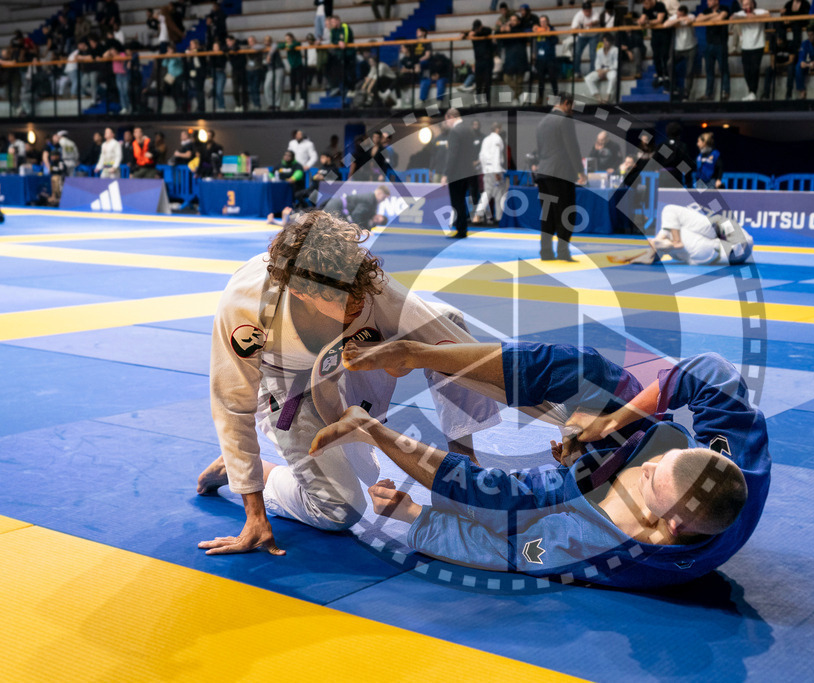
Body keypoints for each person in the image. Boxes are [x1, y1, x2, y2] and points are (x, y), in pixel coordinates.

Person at [317, 339, 769, 590]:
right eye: (664, 461)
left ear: (667, 527)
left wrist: (416, 517)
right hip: (623, 442)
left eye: (651, 481)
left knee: (490, 498)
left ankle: (367, 427)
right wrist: (618, 420)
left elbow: (511, 555)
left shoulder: (605, 551)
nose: (649, 468)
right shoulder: (735, 471)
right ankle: (419, 353)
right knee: (585, 369)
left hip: (568, 499)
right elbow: (710, 371)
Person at [196, 212, 500, 554]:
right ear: (300, 291)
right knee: (340, 510)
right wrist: (254, 511)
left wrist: (566, 412)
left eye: (359, 289)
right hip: (291, 382)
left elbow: (473, 358)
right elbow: (231, 405)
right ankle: (261, 474)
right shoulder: (246, 306)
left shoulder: (369, 286)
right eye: (343, 297)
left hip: (352, 360)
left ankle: (463, 468)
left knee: (448, 324)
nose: (357, 301)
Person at [610, 204, 754, 265]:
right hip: (731, 251)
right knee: (669, 213)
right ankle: (663, 241)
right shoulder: (678, 227)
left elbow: (654, 255)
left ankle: (662, 241)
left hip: (713, 253)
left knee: (669, 214)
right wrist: (630, 258)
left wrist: (629, 258)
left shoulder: (675, 230)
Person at [535, 94, 587, 261]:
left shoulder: (542, 122)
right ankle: (563, 252)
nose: (572, 111)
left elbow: (540, 149)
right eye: (571, 107)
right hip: (560, 173)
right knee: (566, 212)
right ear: (566, 103)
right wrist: (580, 171)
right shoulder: (564, 120)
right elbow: (572, 147)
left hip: (543, 173)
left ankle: (545, 251)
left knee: (547, 213)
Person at [440, 108, 476, 240]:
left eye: (446, 120)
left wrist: (445, 173)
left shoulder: (455, 131)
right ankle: (463, 228)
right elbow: (472, 152)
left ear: (451, 117)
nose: (446, 124)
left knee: (457, 201)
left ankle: (461, 229)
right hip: (467, 171)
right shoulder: (469, 130)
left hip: (456, 172)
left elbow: (452, 154)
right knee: (462, 201)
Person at [695, 0, 733, 101]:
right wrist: (713, 15)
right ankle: (708, 93)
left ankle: (726, 92)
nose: (707, 2)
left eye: (710, 0)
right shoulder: (707, 10)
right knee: (709, 70)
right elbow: (698, 20)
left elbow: (720, 17)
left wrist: (707, 18)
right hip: (709, 44)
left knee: (724, 69)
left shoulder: (724, 8)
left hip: (721, 43)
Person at [733, 0, 769, 101]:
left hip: (758, 44)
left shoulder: (759, 11)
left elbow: (768, 15)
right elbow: (733, 17)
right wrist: (745, 17)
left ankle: (753, 92)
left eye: (747, 4)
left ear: (752, 4)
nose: (746, 7)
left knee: (755, 69)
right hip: (745, 46)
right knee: (746, 71)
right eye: (744, 5)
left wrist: (754, 17)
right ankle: (751, 91)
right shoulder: (741, 13)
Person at [475, 122, 508, 224]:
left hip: (487, 171)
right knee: (499, 195)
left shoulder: (486, 139)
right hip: (495, 171)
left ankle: (477, 215)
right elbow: (496, 156)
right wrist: (497, 172)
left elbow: (481, 156)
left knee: (487, 193)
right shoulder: (497, 139)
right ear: (498, 129)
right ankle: (499, 218)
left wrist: (485, 169)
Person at [664, 5, 698, 100]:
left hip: (691, 47)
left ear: (685, 13)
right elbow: (665, 24)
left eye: (680, 14)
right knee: (670, 63)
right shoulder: (676, 17)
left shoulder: (691, 16)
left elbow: (689, 21)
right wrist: (678, 20)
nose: (678, 15)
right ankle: (673, 87)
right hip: (678, 48)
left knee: (689, 70)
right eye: (677, 14)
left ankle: (687, 92)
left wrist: (683, 19)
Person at [638, 0, 672, 88]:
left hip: (665, 33)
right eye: (643, 4)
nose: (644, 5)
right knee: (656, 56)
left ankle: (667, 76)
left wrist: (648, 22)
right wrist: (640, 22)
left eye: (646, 3)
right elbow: (642, 19)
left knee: (664, 55)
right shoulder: (645, 7)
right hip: (655, 34)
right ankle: (660, 76)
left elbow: (659, 20)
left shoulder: (660, 5)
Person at [463, 20, 495, 105]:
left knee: (487, 82)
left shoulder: (485, 31)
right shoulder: (473, 32)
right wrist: (465, 35)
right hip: (479, 60)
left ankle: (487, 102)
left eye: (478, 28)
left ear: (481, 26)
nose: (476, 30)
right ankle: (478, 101)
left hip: (488, 60)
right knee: (478, 82)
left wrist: (475, 34)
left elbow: (487, 31)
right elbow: (465, 34)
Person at [532, 15, 560, 105]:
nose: (542, 23)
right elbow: (532, 39)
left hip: (550, 58)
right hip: (540, 59)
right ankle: (540, 98)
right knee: (541, 80)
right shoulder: (537, 31)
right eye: (541, 21)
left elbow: (556, 41)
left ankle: (556, 98)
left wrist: (549, 34)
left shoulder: (551, 30)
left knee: (553, 79)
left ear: (547, 22)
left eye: (544, 21)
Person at [584, 35, 620, 103]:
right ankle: (598, 98)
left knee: (613, 77)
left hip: (610, 70)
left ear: (610, 42)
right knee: (588, 78)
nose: (605, 43)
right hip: (601, 70)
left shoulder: (615, 50)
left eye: (607, 41)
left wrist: (605, 71)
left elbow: (616, 64)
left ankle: (607, 97)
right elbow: (597, 63)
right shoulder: (600, 51)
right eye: (604, 41)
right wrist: (599, 70)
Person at [763, 30, 796, 100]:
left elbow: (791, 61)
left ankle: (788, 94)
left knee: (791, 68)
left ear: (784, 40)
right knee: (768, 70)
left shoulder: (790, 44)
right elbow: (772, 62)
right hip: (777, 66)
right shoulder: (774, 45)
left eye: (780, 40)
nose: (778, 42)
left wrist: (779, 65)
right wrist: (775, 66)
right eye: (777, 40)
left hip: (787, 65)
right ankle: (766, 95)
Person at [571, 1, 601, 76]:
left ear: (591, 9)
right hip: (582, 36)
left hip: (593, 35)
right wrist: (579, 27)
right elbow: (573, 28)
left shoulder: (595, 13)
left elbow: (596, 21)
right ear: (583, 10)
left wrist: (588, 24)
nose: (588, 13)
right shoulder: (578, 15)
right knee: (577, 52)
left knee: (592, 54)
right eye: (586, 11)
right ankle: (576, 71)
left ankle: (592, 71)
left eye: (589, 11)